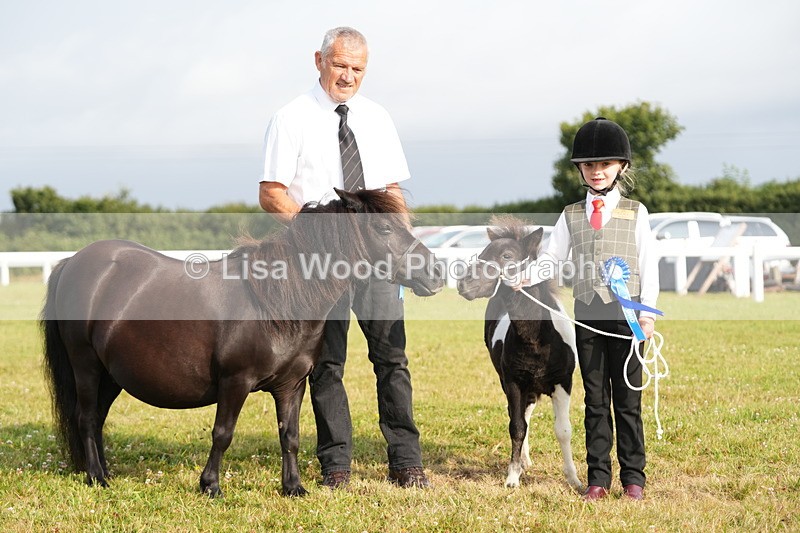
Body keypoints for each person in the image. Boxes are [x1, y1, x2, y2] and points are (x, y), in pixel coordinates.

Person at [259, 27, 429, 490]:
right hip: (322, 266)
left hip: (377, 262)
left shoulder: (378, 118)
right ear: (319, 61)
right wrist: (322, 235)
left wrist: (405, 250)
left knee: (392, 359)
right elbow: (272, 194)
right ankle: (336, 465)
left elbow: (391, 192)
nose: (348, 76)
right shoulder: (290, 118)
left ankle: (407, 461)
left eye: (357, 69)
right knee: (326, 365)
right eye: (340, 65)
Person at [509, 117, 659, 501]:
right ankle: (598, 478)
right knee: (595, 399)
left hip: (627, 317)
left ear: (621, 166)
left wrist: (647, 313)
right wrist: (527, 275)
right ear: (580, 169)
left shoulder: (636, 212)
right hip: (589, 315)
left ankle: (633, 478)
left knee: (627, 400)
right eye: (589, 165)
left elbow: (649, 265)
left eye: (605, 164)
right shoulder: (571, 214)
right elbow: (553, 257)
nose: (597, 171)